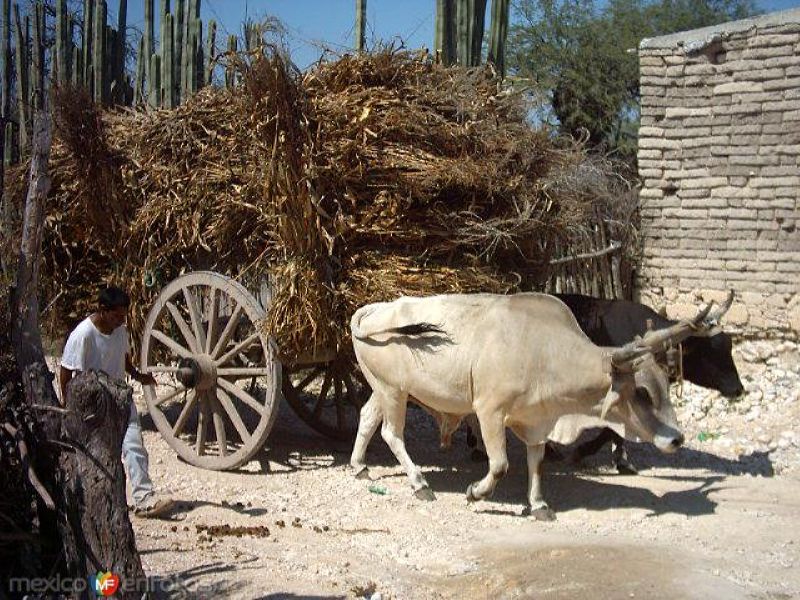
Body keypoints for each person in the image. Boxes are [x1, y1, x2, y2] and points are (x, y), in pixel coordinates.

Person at [59, 286, 175, 519]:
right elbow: (66, 371)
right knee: (99, 456)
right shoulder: (83, 335)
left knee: (134, 446)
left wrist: (140, 376)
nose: (121, 321)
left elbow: (124, 360)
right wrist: (67, 406)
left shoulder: (120, 331)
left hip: (119, 398)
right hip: (94, 403)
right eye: (117, 316)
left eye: (123, 316)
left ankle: (144, 499)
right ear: (102, 310)